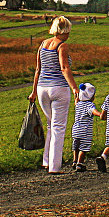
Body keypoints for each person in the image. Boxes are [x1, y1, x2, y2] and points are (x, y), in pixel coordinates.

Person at [29, 15, 77, 174]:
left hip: (43, 88)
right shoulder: (62, 46)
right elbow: (64, 68)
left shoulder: (43, 44)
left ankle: (46, 160)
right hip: (59, 89)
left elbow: (38, 69)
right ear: (64, 30)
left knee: (50, 125)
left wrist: (34, 91)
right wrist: (75, 88)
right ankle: (55, 167)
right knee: (58, 127)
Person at [71, 83, 102, 172]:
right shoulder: (90, 105)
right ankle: (80, 164)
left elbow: (76, 100)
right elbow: (93, 111)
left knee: (76, 146)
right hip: (85, 131)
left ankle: (74, 161)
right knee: (83, 148)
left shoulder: (78, 104)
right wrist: (100, 114)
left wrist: (76, 96)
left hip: (75, 129)